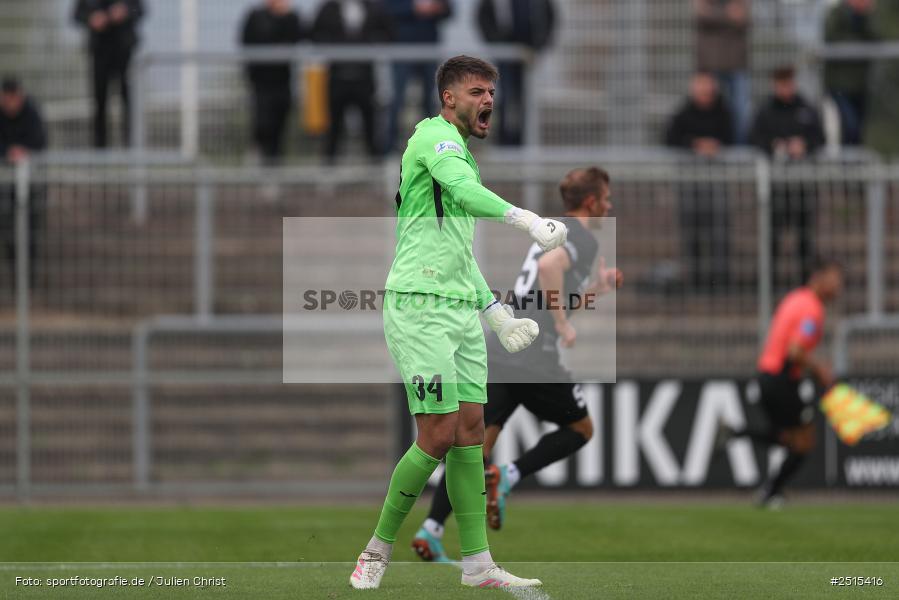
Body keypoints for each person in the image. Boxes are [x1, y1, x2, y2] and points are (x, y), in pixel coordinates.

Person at [349, 55, 568, 590]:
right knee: (440, 432)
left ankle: (477, 564)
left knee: (472, 431)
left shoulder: (464, 157)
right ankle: (376, 549)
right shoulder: (434, 140)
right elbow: (467, 195)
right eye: (476, 91)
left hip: (458, 310)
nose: (487, 99)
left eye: (491, 91)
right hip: (419, 306)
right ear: (449, 98)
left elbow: (458, 251)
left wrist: (494, 313)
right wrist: (525, 219)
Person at [411, 166, 622, 562]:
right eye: (607, 200)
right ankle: (509, 475)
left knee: (472, 447)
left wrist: (597, 289)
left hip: (504, 348)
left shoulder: (553, 229)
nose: (609, 207)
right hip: (535, 354)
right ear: (592, 202)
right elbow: (548, 271)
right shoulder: (579, 236)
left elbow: (550, 291)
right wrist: (560, 325)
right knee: (581, 428)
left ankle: (431, 530)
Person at [718, 260, 842, 508]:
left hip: (767, 376)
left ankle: (737, 433)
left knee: (789, 438)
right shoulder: (812, 310)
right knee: (804, 440)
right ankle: (770, 492)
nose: (838, 286)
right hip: (781, 379)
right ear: (818, 277)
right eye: (835, 279)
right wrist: (820, 371)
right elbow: (795, 351)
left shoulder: (796, 297)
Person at [750, 66, 824, 286]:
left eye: (789, 83)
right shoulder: (765, 111)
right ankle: (769, 284)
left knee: (804, 238)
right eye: (782, 83)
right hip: (775, 186)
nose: (786, 88)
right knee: (772, 237)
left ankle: (805, 283)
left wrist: (804, 146)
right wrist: (775, 147)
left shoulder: (806, 108)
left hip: (802, 185)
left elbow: (819, 138)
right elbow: (754, 137)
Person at [665, 72, 734, 292]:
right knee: (691, 231)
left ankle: (720, 280)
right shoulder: (683, 113)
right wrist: (694, 144)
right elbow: (671, 139)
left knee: (718, 231)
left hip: (717, 182)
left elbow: (733, 138)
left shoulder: (724, 113)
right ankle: (694, 280)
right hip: (690, 183)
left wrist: (716, 146)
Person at [311, 0, 394, 163]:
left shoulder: (373, 7)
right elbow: (314, 34)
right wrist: (332, 48)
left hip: (365, 76)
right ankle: (329, 172)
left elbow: (390, 33)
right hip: (336, 76)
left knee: (370, 126)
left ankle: (374, 170)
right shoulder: (328, 8)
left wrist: (372, 44)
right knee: (333, 128)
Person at [476, 0, 556, 146]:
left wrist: (539, 46)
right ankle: (505, 140)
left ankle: (524, 140)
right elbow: (483, 17)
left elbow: (549, 18)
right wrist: (496, 45)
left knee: (526, 98)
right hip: (505, 55)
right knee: (506, 97)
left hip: (529, 55)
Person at [73, 0, 145, 148]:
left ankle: (131, 146)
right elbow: (76, 15)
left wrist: (124, 10)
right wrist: (91, 18)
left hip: (124, 51)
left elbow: (140, 9)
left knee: (128, 100)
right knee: (99, 101)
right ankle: (100, 149)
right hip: (99, 52)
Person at [384, 0, 453, 154]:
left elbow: (449, 10)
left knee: (429, 99)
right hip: (402, 48)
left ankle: (429, 143)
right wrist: (414, 8)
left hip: (428, 48)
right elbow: (386, 9)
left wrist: (435, 8)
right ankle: (389, 145)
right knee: (397, 98)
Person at [240, 0, 304, 164]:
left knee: (280, 128)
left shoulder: (292, 18)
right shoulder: (255, 17)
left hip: (283, 81)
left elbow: (297, 39)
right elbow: (247, 43)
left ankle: (275, 168)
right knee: (263, 124)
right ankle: (258, 155)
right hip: (261, 82)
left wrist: (285, 16)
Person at [0, 78, 48, 287]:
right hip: (4, 186)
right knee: (8, 231)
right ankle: (16, 279)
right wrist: (7, 153)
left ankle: (28, 281)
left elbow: (39, 141)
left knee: (29, 233)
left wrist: (23, 152)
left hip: (30, 184)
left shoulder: (32, 112)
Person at [694, 0, 751, 143]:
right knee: (708, 111)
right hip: (710, 65)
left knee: (740, 112)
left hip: (736, 65)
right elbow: (702, 15)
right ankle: (712, 147)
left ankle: (739, 152)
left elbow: (744, 18)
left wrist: (715, 16)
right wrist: (728, 15)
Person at [824, 0, 877, 146]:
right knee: (850, 126)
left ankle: (855, 164)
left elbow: (875, 38)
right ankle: (847, 164)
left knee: (859, 130)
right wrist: (857, 45)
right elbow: (831, 38)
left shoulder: (867, 17)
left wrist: (864, 17)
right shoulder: (837, 13)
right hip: (839, 85)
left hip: (860, 84)